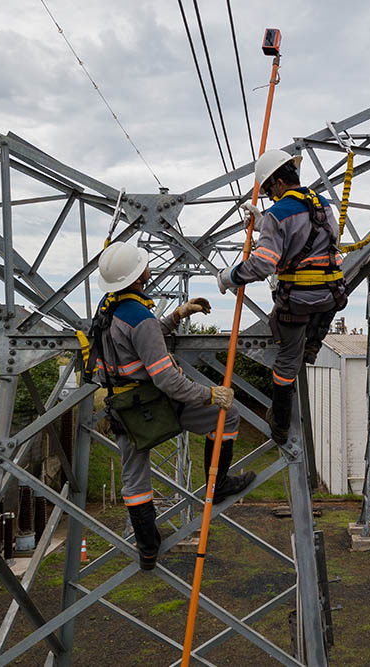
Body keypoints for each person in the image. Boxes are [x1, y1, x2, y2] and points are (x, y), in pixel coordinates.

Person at [92, 242, 254, 570]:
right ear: (138, 276)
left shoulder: (108, 307)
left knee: (134, 478)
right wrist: (211, 396)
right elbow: (168, 381)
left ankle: (147, 548)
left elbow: (136, 345)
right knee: (230, 415)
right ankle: (218, 484)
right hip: (155, 404)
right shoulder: (139, 317)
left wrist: (176, 316)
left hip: (123, 408)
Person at [217, 149, 347, 445]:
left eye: (267, 191)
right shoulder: (323, 205)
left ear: (276, 182)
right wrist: (264, 223)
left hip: (297, 301)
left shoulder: (278, 213)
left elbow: (263, 264)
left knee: (286, 363)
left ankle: (280, 425)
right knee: (315, 317)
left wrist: (228, 278)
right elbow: (309, 233)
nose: (269, 197)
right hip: (330, 295)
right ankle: (312, 345)